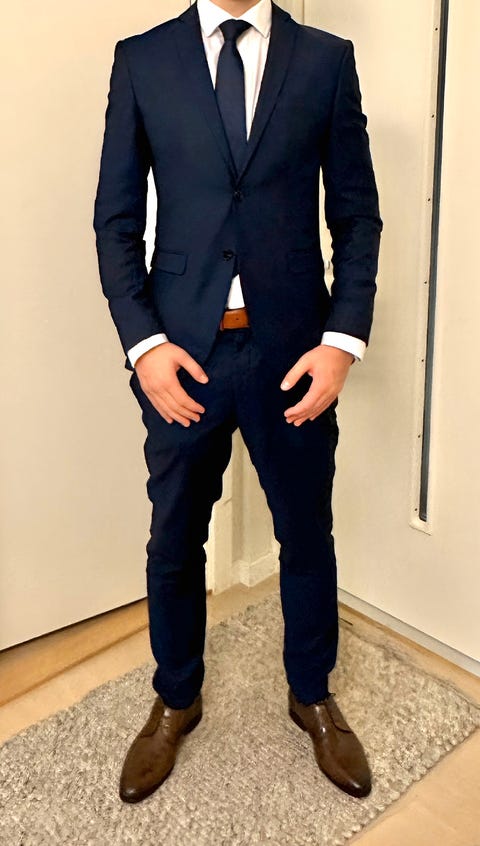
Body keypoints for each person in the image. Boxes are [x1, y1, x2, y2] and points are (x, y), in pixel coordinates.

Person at [93, 0, 382, 805]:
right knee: (175, 536)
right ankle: (176, 698)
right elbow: (115, 221)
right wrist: (144, 346)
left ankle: (311, 693)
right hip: (183, 355)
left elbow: (357, 217)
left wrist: (342, 341)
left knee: (306, 531)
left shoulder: (324, 60)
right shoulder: (143, 60)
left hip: (295, 352)